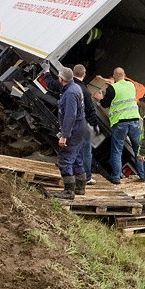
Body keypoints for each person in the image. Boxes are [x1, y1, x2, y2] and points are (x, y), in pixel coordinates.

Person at [94, 67, 143, 184]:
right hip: (135, 122)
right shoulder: (131, 86)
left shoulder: (112, 89)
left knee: (117, 151)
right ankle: (143, 174)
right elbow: (123, 88)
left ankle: (116, 177)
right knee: (138, 150)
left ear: (114, 76)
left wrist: (100, 99)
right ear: (125, 75)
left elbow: (105, 104)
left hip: (121, 123)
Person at [52, 67, 88, 199]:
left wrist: (64, 136)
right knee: (77, 159)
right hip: (81, 127)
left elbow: (70, 116)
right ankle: (80, 188)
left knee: (65, 160)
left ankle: (68, 191)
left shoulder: (70, 94)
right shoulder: (75, 88)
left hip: (74, 129)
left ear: (61, 79)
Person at [72, 64, 100, 185]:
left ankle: (71, 172)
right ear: (84, 74)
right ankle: (86, 177)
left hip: (72, 123)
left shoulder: (69, 87)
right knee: (86, 152)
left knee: (73, 148)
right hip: (84, 124)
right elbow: (90, 109)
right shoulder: (85, 91)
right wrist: (95, 125)